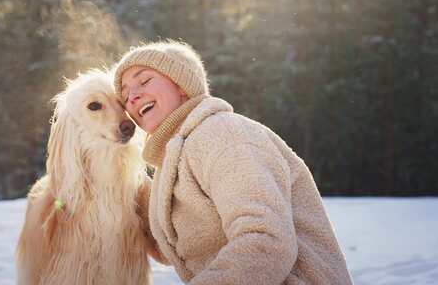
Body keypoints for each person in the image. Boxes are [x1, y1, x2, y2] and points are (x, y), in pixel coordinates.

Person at [113, 40, 353, 285]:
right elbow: (181, 251)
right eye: (124, 94)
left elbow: (265, 239)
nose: (132, 96)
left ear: (182, 86)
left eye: (144, 81)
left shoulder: (223, 133)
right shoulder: (171, 163)